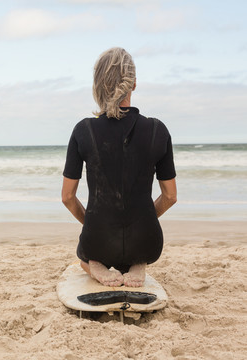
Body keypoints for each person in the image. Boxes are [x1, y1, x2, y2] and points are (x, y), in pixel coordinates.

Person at [61, 47, 177, 287]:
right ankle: (138, 263)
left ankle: (94, 265)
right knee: (140, 246)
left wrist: (97, 222)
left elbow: (67, 197)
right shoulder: (158, 130)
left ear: (98, 84)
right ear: (133, 84)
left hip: (97, 241)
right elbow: (171, 196)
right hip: (147, 241)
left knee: (82, 255)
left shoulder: (83, 130)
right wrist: (140, 218)